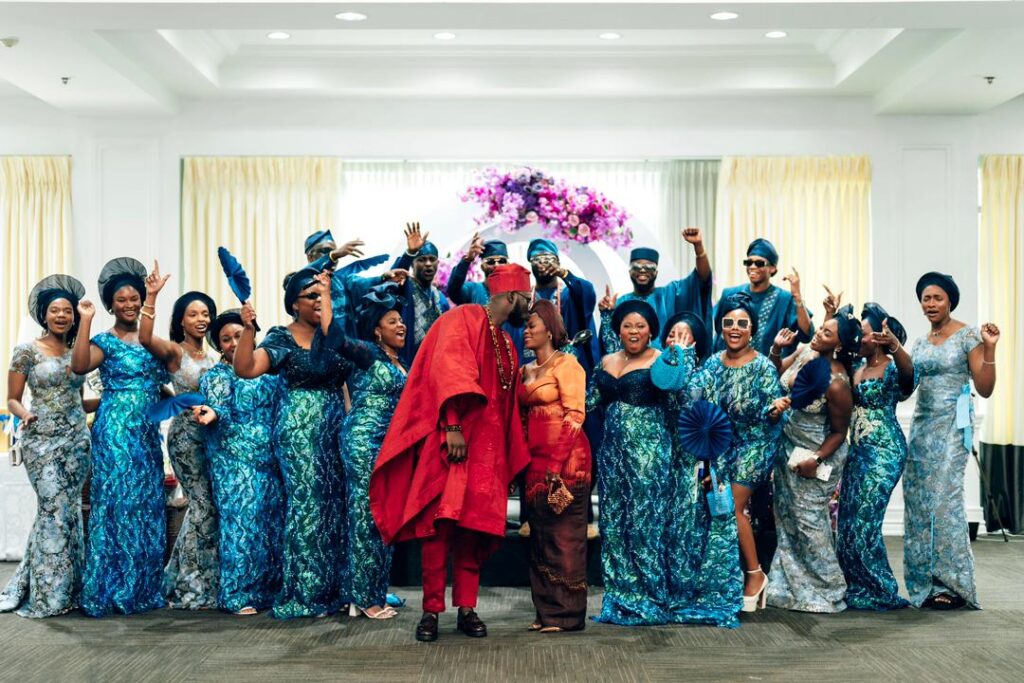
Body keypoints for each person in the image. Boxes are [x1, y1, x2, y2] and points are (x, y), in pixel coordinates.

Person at [370, 263, 532, 643]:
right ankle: (430, 610)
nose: (530, 305)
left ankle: (467, 608)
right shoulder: (464, 318)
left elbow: (506, 404)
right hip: (453, 444)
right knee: (439, 528)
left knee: (473, 532)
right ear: (511, 296)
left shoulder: (507, 344)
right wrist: (453, 426)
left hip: (488, 455)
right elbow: (448, 370)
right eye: (527, 299)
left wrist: (507, 459)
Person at [233, 267, 353, 619]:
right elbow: (246, 368)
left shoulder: (333, 335)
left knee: (335, 506)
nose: (319, 301)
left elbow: (345, 383)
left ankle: (335, 588)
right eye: (311, 296)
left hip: (335, 429)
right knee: (308, 507)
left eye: (323, 295)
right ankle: (306, 590)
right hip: (298, 431)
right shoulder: (282, 337)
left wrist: (350, 424)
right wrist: (248, 330)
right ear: (294, 304)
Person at [71, 257, 170, 616]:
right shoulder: (105, 342)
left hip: (146, 434)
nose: (129, 304)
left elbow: (164, 385)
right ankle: (108, 585)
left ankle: (141, 586)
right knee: (116, 504)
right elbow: (79, 365)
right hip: (114, 432)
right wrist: (85, 320)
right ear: (110, 305)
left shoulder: (152, 341)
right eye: (121, 300)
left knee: (146, 504)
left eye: (134, 298)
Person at [1, 275, 96, 618]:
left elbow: (79, 401)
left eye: (67, 311)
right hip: (40, 441)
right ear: (44, 315)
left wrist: (110, 402)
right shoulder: (26, 351)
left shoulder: (78, 351)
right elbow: (12, 398)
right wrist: (24, 414)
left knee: (66, 511)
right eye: (55, 310)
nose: (61, 316)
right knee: (53, 508)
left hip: (76, 441)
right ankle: (49, 594)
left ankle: (67, 586)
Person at [587, 300, 686, 625]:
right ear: (618, 330)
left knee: (645, 523)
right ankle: (621, 595)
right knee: (613, 523)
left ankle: (650, 596)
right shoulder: (607, 360)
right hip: (612, 456)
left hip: (648, 455)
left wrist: (679, 360)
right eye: (627, 326)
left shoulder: (661, 359)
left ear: (651, 331)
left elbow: (677, 404)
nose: (633, 331)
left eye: (640, 326)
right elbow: (590, 401)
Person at [904, 272, 999, 610]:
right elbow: (906, 388)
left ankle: (953, 584)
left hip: (952, 430)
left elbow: (985, 388)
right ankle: (924, 583)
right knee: (919, 503)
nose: (931, 304)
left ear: (950, 301)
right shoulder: (919, 343)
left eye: (937, 298)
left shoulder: (967, 335)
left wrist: (990, 349)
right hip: (922, 429)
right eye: (926, 299)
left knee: (944, 503)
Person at [315, 276, 408, 619]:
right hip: (363, 440)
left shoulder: (400, 362)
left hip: (388, 444)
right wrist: (325, 294)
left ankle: (370, 591)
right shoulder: (369, 354)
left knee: (381, 516)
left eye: (401, 320)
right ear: (377, 331)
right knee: (367, 515)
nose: (401, 325)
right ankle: (365, 598)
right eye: (392, 321)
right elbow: (334, 337)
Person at [684, 294, 782, 614]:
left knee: (732, 506)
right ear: (721, 327)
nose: (735, 328)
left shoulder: (763, 366)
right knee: (717, 507)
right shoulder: (713, 363)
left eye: (742, 323)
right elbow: (693, 398)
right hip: (722, 445)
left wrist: (774, 410)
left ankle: (754, 575)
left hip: (756, 443)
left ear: (752, 329)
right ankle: (723, 578)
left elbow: (772, 412)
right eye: (729, 323)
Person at [766, 305, 859, 613]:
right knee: (788, 518)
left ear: (840, 344)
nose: (819, 334)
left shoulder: (837, 382)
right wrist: (777, 350)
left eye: (827, 333)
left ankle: (829, 587)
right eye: (821, 328)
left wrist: (816, 460)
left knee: (810, 522)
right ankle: (790, 584)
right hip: (788, 449)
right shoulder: (806, 353)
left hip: (817, 454)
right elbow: (776, 374)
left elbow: (839, 432)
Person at [138, 262, 220, 609]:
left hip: (212, 437)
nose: (201, 319)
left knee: (211, 505)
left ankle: (198, 576)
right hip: (186, 437)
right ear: (181, 321)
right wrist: (151, 297)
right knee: (202, 503)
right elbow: (145, 338)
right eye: (193, 314)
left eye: (206, 314)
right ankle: (185, 581)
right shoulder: (175, 352)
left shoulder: (214, 356)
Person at [194, 309, 285, 615]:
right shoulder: (217, 376)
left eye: (238, 335)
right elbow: (218, 406)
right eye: (226, 339)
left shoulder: (270, 371)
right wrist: (212, 413)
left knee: (270, 522)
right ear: (219, 345)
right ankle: (238, 594)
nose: (233, 343)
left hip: (270, 457)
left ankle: (269, 590)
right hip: (234, 459)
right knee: (241, 523)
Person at [517, 300, 592, 633]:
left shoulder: (567, 364)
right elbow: (521, 419)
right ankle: (546, 611)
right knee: (540, 537)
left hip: (568, 462)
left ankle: (567, 615)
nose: (526, 331)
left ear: (549, 329)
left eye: (532, 325)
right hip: (534, 463)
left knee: (565, 538)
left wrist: (556, 463)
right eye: (525, 325)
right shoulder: (525, 371)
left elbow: (575, 415)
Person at [836, 303, 913, 610]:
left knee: (865, 520)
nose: (860, 338)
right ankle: (856, 584)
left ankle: (880, 588)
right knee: (847, 521)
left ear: (880, 338)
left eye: (865, 333)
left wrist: (895, 346)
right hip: (857, 452)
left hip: (885, 452)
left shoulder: (893, 368)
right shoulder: (855, 365)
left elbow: (909, 377)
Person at [599, 227, 712, 354]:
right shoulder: (621, 303)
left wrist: (698, 247)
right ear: (630, 272)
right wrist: (607, 313)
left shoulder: (670, 294)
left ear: (656, 272)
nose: (642, 270)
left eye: (649, 267)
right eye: (637, 267)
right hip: (630, 364)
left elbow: (701, 280)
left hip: (667, 362)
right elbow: (610, 347)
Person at [714, 238, 813, 358]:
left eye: (759, 263)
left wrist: (797, 297)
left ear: (772, 268)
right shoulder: (730, 294)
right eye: (748, 262)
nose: (752, 267)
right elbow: (718, 331)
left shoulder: (785, 300)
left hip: (768, 367)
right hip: (728, 365)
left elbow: (807, 335)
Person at [524, 238, 600, 374]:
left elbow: (587, 292)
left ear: (558, 263)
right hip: (534, 367)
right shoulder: (526, 298)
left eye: (548, 259)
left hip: (567, 366)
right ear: (530, 264)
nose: (542, 263)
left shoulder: (568, 294)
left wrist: (564, 274)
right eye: (537, 259)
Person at [445, 233, 525, 360]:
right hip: (480, 359)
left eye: (502, 261)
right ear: (482, 266)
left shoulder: (517, 294)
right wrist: (467, 260)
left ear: (509, 264)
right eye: (491, 261)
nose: (497, 265)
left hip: (512, 360)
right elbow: (453, 291)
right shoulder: (473, 289)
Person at [388, 223, 451, 367]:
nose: (428, 264)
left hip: (434, 366)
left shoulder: (441, 299)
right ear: (412, 264)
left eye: (432, 259)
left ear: (437, 263)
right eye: (422, 259)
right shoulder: (404, 286)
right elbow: (392, 278)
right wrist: (409, 253)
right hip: (406, 364)